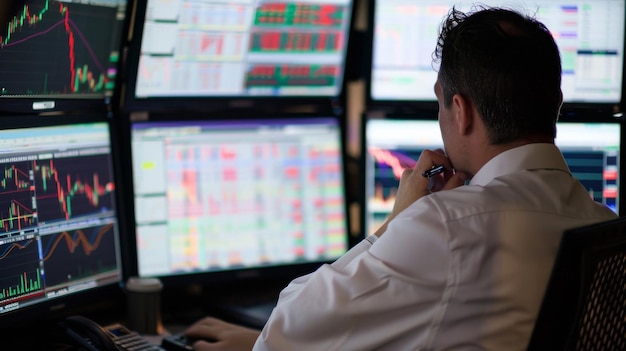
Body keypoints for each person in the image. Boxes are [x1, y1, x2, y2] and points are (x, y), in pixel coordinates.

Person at [182, 5, 618, 350]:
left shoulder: (448, 228)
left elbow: (285, 330)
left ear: (461, 112)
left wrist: (395, 223)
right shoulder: (605, 229)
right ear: (556, 104)